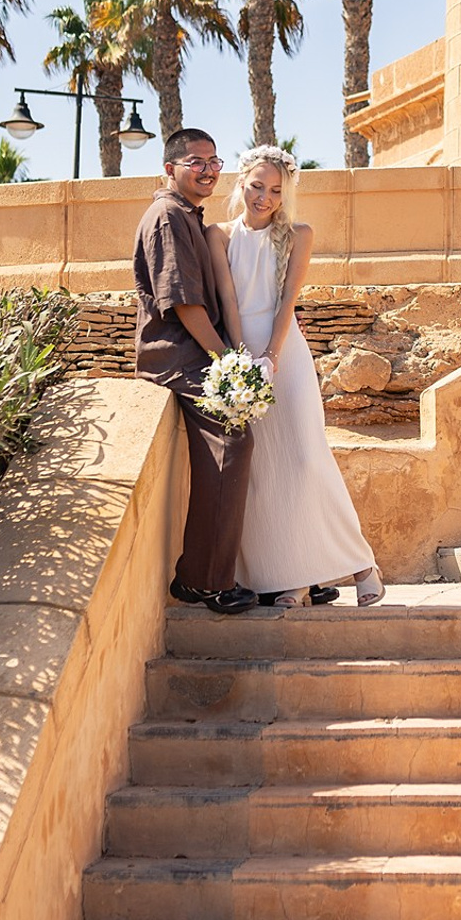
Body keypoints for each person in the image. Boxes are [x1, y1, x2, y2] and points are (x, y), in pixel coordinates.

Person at [207, 145, 385, 607]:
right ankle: (293, 578)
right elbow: (229, 303)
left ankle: (363, 564)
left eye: (274, 190)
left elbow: (287, 302)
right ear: (241, 182)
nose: (263, 197)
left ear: (285, 194)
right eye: (256, 186)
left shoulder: (298, 235)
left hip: (287, 357)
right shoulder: (219, 236)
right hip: (242, 358)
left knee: (306, 459)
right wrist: (237, 361)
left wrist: (272, 355)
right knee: (265, 470)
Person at [132, 128, 259, 615]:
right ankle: (203, 582)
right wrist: (225, 361)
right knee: (232, 441)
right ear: (170, 168)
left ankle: (207, 576)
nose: (207, 169)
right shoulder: (167, 216)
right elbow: (184, 303)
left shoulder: (185, 215)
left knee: (237, 442)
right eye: (195, 161)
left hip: (192, 355)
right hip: (179, 357)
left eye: (213, 160)